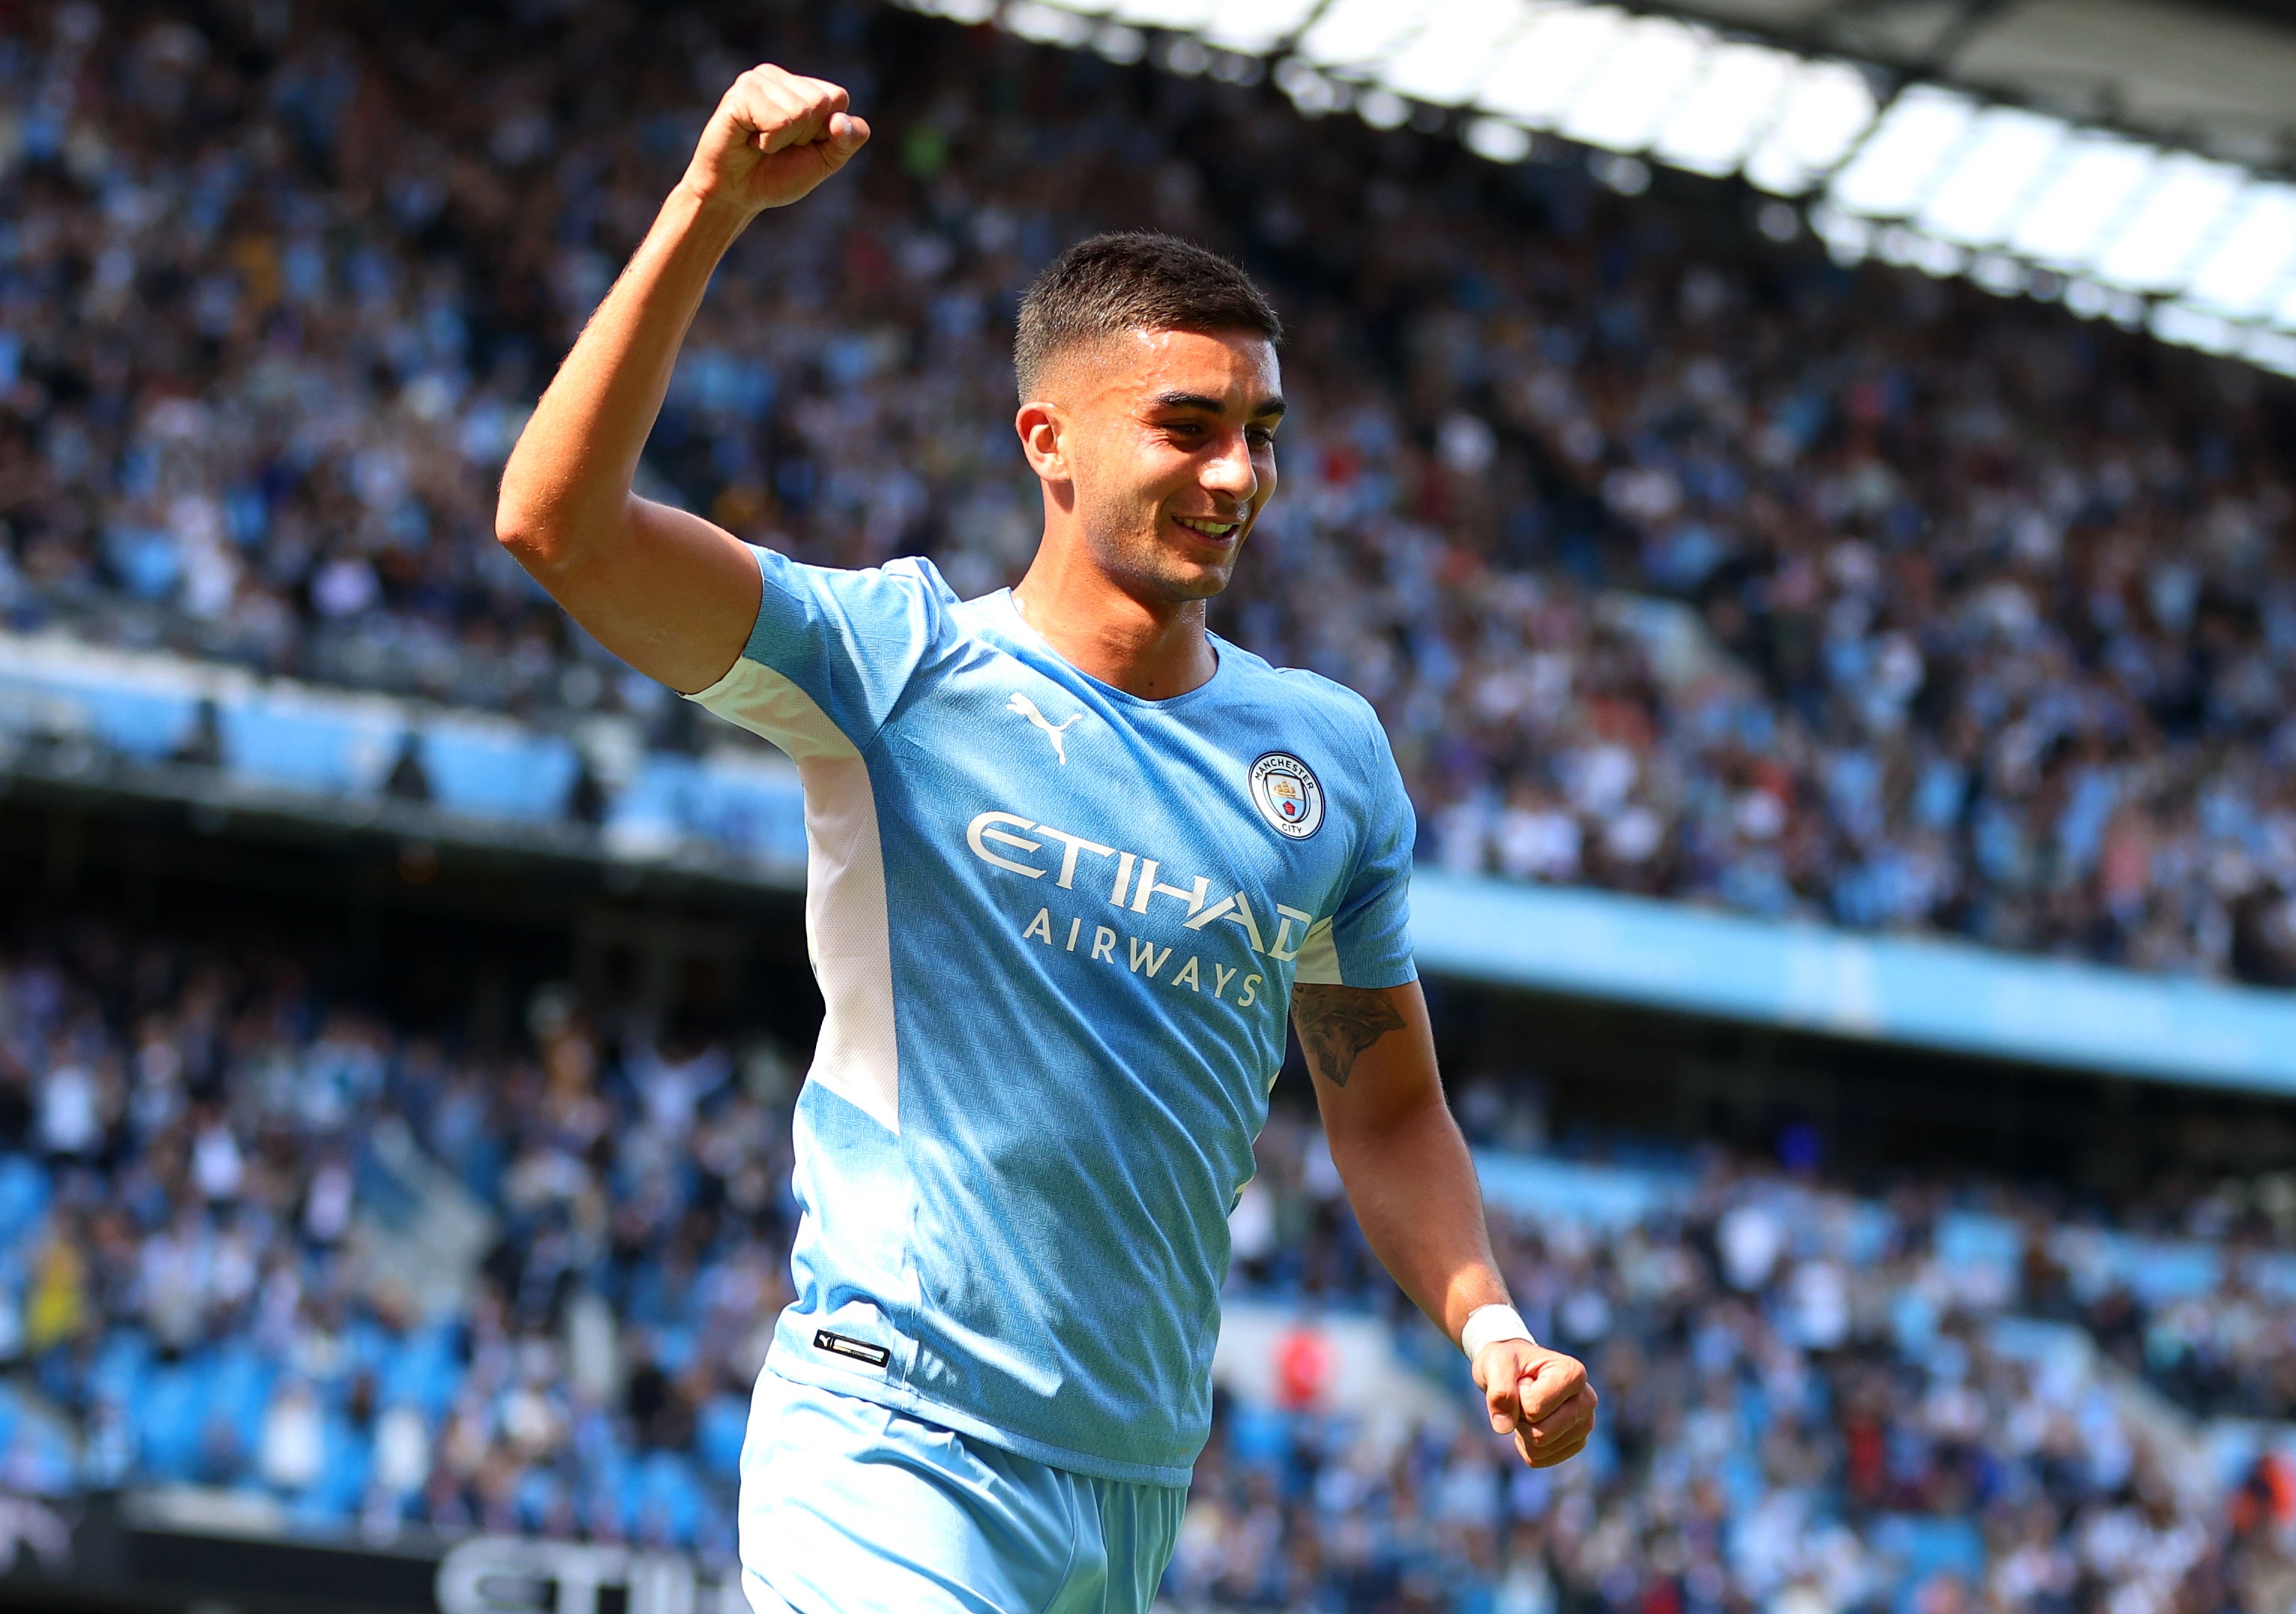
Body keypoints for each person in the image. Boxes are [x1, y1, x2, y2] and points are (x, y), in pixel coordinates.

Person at [495, 64, 1595, 1613]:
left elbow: (1391, 1104)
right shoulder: (898, 669)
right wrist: (711, 206)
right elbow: (561, 525)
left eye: (1262, 433)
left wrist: (1488, 1322)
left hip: (1133, 1487)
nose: (1238, 477)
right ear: (1048, 440)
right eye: (1189, 425)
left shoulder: (1328, 760)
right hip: (891, 1438)